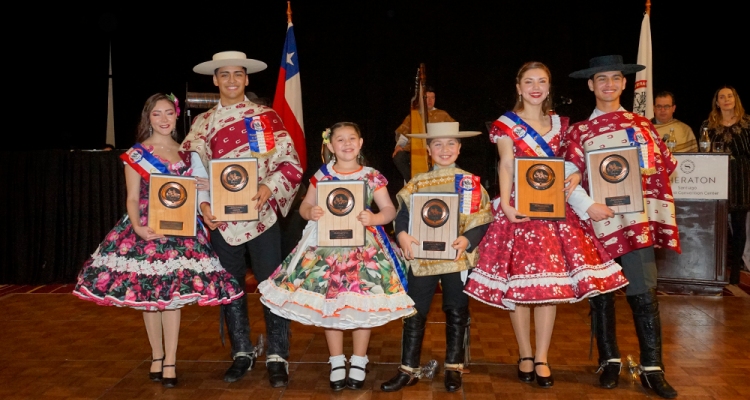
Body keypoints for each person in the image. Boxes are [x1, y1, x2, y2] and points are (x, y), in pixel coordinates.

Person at [462, 61, 628, 389]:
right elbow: (507, 163)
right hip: (519, 211)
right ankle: (524, 353)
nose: (535, 86)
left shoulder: (560, 124)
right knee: (520, 287)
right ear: (519, 87)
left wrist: (577, 173)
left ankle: (542, 356)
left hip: (554, 212)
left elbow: (568, 163)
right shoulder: (506, 125)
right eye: (529, 81)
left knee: (547, 289)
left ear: (549, 87)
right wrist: (507, 205)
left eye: (542, 81)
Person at [73, 93, 245, 389]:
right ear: (148, 118)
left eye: (169, 113)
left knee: (172, 296)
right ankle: (156, 354)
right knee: (149, 298)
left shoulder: (188, 153)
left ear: (177, 116)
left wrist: (203, 186)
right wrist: (139, 228)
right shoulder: (138, 153)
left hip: (180, 231)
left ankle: (170, 360)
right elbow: (130, 197)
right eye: (157, 114)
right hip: (147, 228)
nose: (164, 119)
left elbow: (191, 195)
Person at [258, 122, 415, 391]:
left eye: (351, 138)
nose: (346, 144)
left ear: (361, 142)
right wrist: (311, 213)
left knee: (360, 303)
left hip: (362, 248)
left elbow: (389, 209)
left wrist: (375, 217)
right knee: (330, 303)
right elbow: (306, 205)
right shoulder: (323, 175)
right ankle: (336, 360)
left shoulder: (371, 176)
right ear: (330, 146)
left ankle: (359, 359)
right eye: (339, 140)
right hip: (325, 247)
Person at [181, 51, 303, 387]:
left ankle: (278, 354)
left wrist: (269, 185)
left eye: (238, 74)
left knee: (271, 286)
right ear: (215, 79)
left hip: (261, 217)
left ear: (247, 79)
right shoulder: (202, 124)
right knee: (231, 287)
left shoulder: (265, 118)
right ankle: (241, 352)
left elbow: (290, 163)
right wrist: (203, 206)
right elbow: (195, 171)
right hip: (221, 221)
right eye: (225, 75)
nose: (232, 80)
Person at [563, 55, 681, 399]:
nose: (609, 84)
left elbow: (665, 168)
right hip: (596, 224)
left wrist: (642, 192)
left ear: (625, 83)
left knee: (644, 294)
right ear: (591, 85)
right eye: (602, 79)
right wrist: (589, 205)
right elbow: (569, 180)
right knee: (602, 297)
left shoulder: (642, 126)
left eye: (615, 78)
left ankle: (652, 368)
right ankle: (609, 360)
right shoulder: (580, 131)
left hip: (636, 224)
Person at [380, 121, 492, 393]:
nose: (445, 149)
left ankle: (454, 367)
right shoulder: (418, 182)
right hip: (421, 259)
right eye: (438, 144)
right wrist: (403, 234)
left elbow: (482, 217)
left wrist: (468, 239)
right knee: (415, 310)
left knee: (456, 309)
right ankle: (408, 368)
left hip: (456, 257)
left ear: (460, 148)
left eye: (451, 143)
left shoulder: (470, 182)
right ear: (428, 149)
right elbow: (403, 212)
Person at [699, 86, 750, 284]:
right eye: (722, 96)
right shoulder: (707, 124)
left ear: (735, 99)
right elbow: (703, 151)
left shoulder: (747, 123)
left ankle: (736, 271)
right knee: (717, 226)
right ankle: (716, 268)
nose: (726, 99)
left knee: (739, 227)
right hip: (716, 179)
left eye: (730, 96)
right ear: (716, 102)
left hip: (742, 179)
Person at [392, 86, 456, 181]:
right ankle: (413, 182)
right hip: (415, 149)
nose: (430, 100)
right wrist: (398, 146)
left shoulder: (442, 114)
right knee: (399, 157)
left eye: (432, 97)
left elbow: (453, 132)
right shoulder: (413, 116)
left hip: (436, 149)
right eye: (427, 97)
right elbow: (404, 135)